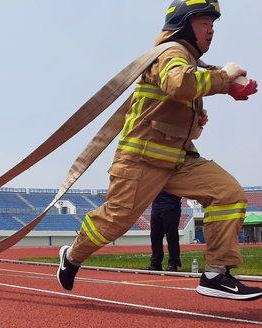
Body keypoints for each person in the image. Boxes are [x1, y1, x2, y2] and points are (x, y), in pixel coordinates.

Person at [57, 0, 261, 300]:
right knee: (115, 221)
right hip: (142, 161)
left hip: (177, 160)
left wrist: (197, 120)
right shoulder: (172, 53)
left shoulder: (188, 61)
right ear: (184, 24)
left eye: (213, 25)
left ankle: (216, 274)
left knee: (228, 193)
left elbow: (178, 105)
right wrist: (225, 77)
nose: (211, 31)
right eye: (205, 24)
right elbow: (180, 84)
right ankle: (72, 256)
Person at [147, 191, 182, 272]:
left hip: (171, 206)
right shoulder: (155, 179)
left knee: (171, 236)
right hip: (156, 206)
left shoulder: (175, 178)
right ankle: (155, 264)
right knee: (155, 236)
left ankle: (173, 264)